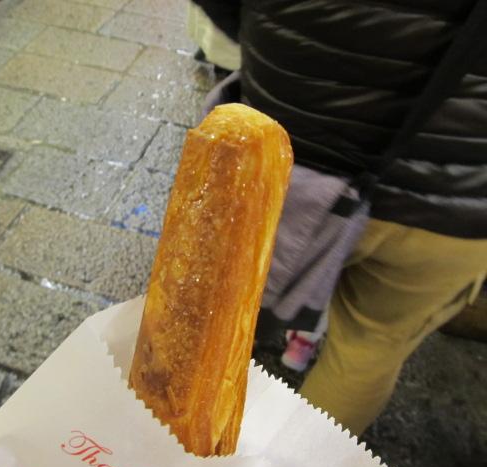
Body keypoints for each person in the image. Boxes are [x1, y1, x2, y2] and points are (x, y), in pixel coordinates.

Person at [190, 0, 487, 436]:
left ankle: (170, 437)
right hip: (453, 203)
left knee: (219, 310)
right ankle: (293, 463)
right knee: (368, 351)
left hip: (285, 164)